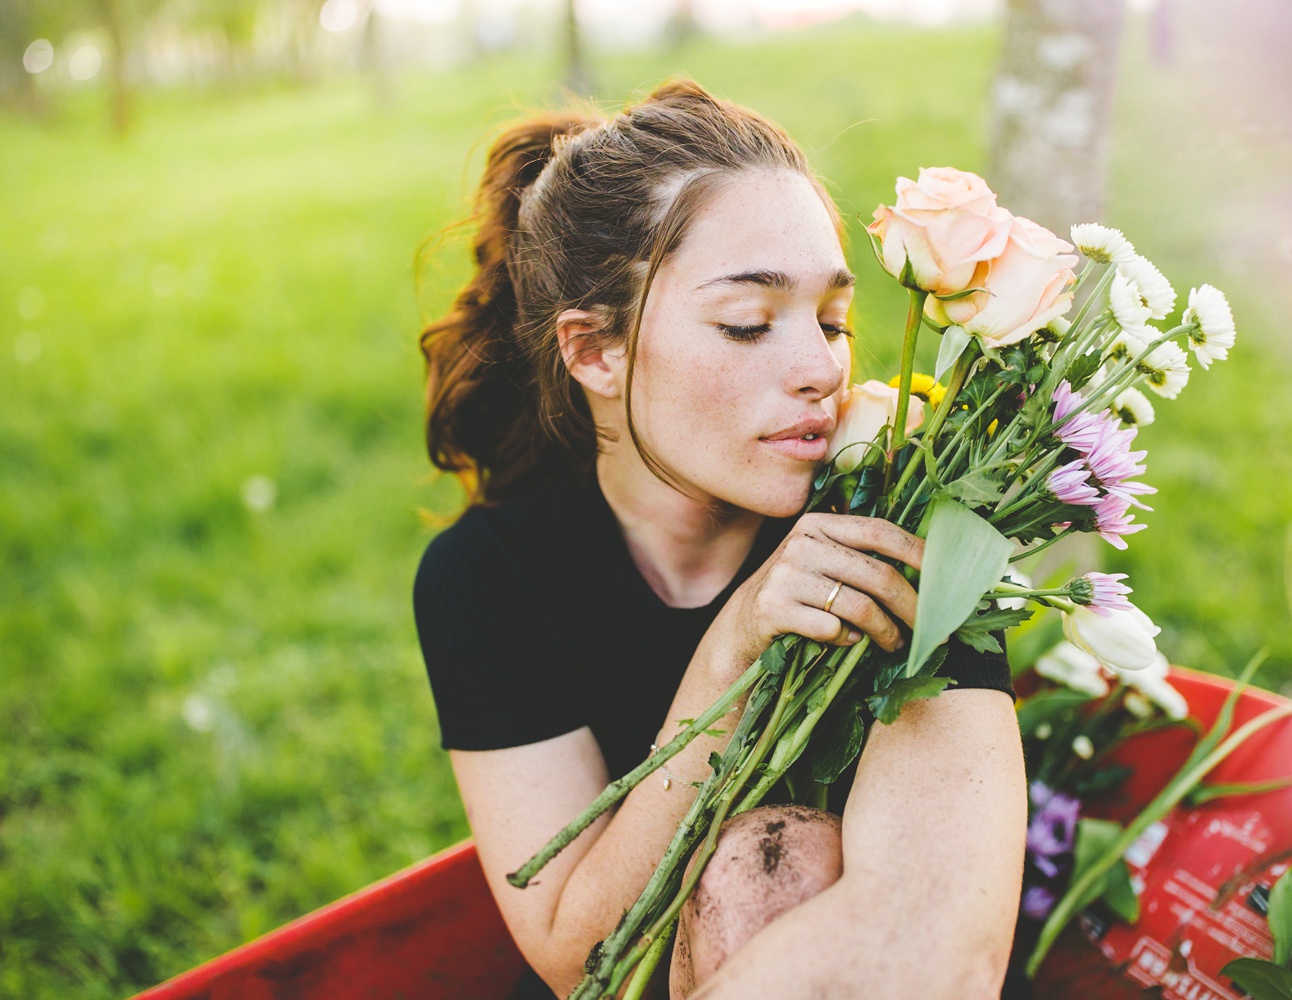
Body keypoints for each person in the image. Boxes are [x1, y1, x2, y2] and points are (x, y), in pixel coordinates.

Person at [412, 79, 1028, 1000]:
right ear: (593, 352)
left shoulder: (901, 519)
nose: (822, 370)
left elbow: (938, 938)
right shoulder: (492, 580)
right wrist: (732, 650)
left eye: (833, 322)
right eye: (747, 324)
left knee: (771, 865)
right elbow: (579, 958)